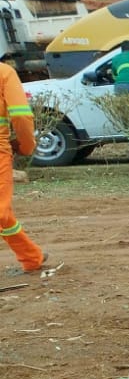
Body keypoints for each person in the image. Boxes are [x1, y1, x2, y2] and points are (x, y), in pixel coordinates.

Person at [1, 60, 49, 276]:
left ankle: (31, 257)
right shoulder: (4, 73)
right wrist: (27, 146)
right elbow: (20, 114)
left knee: (3, 214)